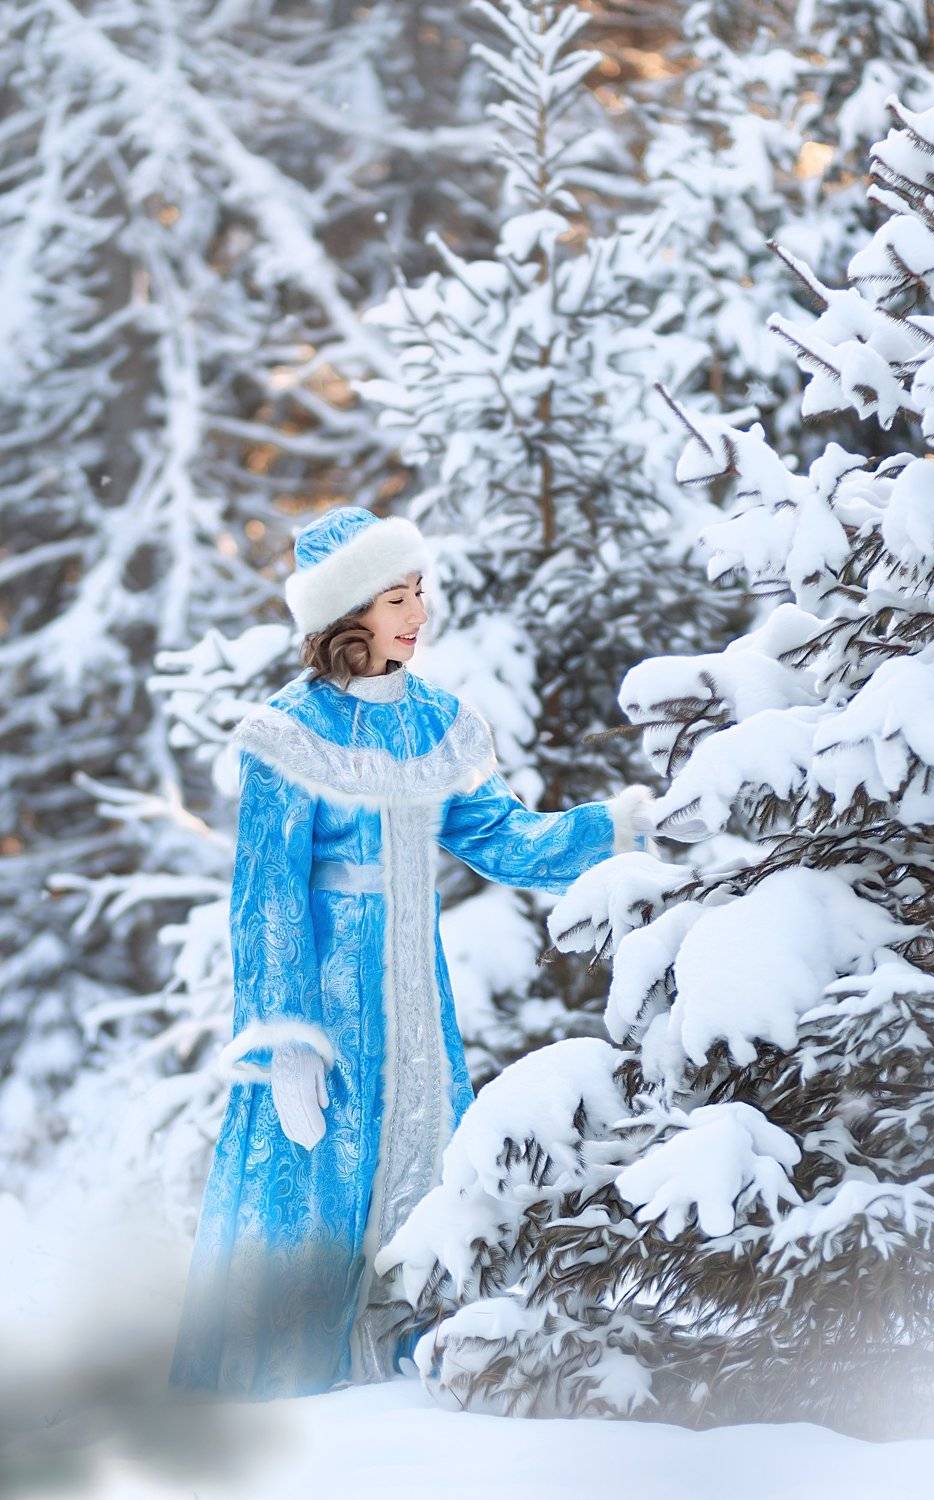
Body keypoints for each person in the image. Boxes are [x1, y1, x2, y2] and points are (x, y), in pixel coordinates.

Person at [167, 506, 654, 1400]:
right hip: (325, 1011)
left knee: (426, 1169)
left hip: (417, 1006)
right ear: (347, 611)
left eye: (419, 591)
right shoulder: (288, 731)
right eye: (396, 597)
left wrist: (618, 829)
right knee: (319, 1188)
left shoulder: (437, 720)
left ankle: (413, 1373)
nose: (418, 612)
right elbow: (267, 896)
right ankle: (292, 1389)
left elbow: (503, 838)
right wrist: (284, 1039)